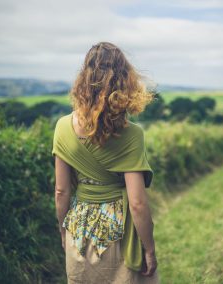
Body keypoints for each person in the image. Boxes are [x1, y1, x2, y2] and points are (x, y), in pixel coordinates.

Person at [51, 42, 160, 283]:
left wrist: (63, 229)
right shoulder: (131, 135)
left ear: (84, 79)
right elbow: (138, 203)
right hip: (119, 232)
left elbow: (61, 191)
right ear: (125, 82)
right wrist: (149, 248)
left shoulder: (61, 127)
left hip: (78, 231)